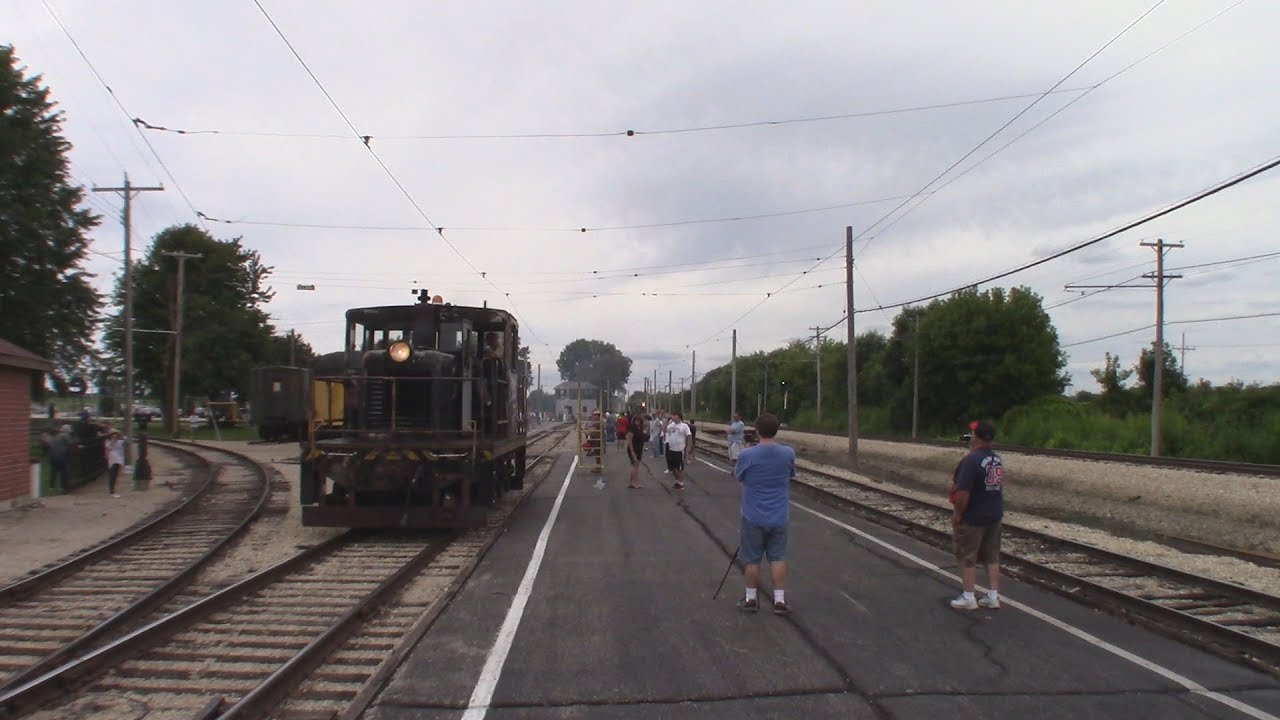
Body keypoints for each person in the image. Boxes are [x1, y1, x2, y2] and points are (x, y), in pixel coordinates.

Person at [734, 413, 796, 614]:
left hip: (753, 514)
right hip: (778, 514)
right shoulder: (788, 453)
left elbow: (739, 476)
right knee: (777, 557)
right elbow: (791, 474)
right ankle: (780, 600)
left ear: (757, 431)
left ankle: (751, 599)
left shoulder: (747, 455)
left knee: (752, 559)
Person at [950, 420, 1005, 610]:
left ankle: (968, 597)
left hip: (974, 516)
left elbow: (963, 492)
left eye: (973, 432)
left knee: (967, 556)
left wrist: (958, 514)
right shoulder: (996, 458)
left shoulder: (971, 460)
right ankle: (993, 596)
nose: (970, 435)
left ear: (977, 437)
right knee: (992, 555)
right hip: (994, 514)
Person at [663, 412, 692, 489]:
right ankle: (678, 480)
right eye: (673, 416)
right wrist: (666, 420)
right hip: (671, 449)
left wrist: (688, 448)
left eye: (675, 416)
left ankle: (680, 483)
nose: (673, 417)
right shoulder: (672, 425)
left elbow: (689, 436)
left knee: (679, 467)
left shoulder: (684, 426)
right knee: (672, 467)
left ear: (679, 417)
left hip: (680, 450)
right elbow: (664, 430)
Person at [48, 425, 73, 492]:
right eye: (69, 431)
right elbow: (71, 443)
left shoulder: (56, 436)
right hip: (61, 456)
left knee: (54, 471)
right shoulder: (65, 435)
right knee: (64, 471)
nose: (70, 433)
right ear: (67, 431)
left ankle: (51, 487)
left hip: (52, 456)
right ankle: (63, 487)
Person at [626, 413, 648, 488]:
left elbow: (644, 437)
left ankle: (631, 482)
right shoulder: (632, 428)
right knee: (636, 466)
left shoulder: (640, 428)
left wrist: (644, 432)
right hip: (634, 449)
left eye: (639, 420)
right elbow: (629, 439)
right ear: (634, 420)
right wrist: (632, 451)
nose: (637, 422)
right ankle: (635, 483)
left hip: (639, 448)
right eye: (636, 420)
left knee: (635, 466)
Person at [103, 429, 126, 498]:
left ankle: (113, 490)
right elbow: (108, 448)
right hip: (113, 459)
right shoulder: (108, 441)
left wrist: (120, 433)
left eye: (115, 434)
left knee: (116, 474)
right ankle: (112, 491)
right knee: (112, 474)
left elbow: (125, 439)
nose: (114, 435)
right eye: (113, 434)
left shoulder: (120, 441)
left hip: (119, 458)